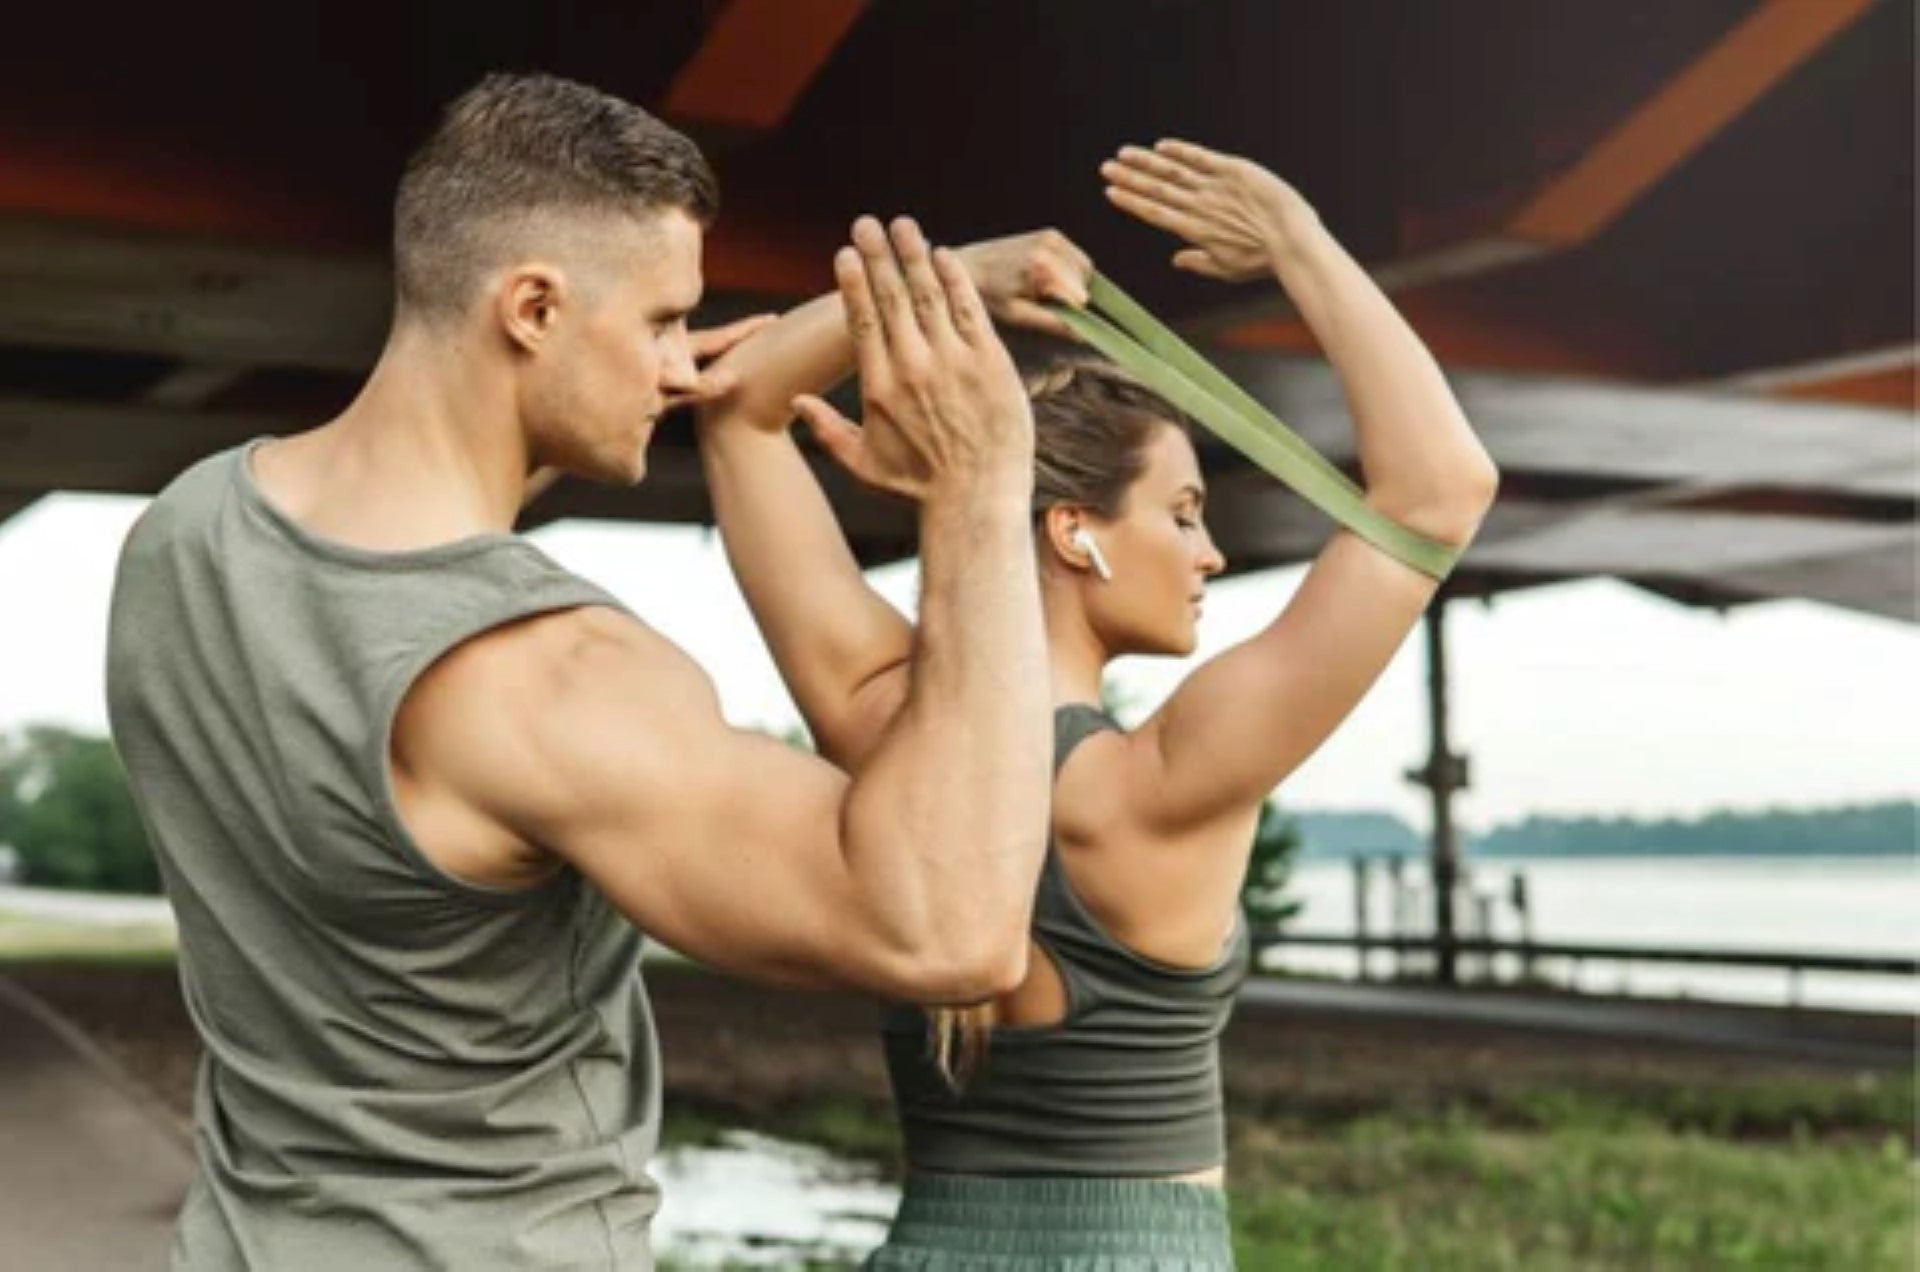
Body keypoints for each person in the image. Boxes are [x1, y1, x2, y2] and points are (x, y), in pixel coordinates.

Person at [103, 71, 1064, 1271]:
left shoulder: (183, 537)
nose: (677, 366)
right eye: (661, 321)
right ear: (534, 309)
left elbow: (407, 529)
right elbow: (955, 935)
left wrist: (638, 383)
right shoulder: (554, 673)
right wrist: (980, 490)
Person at [696, 138, 1500, 1268]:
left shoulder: (880, 720)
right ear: (1073, 532)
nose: (1213, 553)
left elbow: (737, 408)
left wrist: (965, 278)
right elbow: (1442, 488)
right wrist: (1297, 242)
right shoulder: (1166, 779)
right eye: (1182, 512)